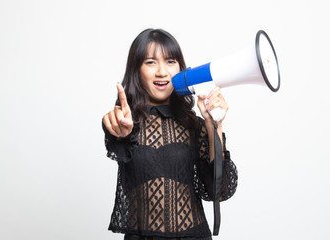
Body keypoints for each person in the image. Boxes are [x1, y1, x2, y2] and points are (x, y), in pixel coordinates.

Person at [102, 28, 238, 240]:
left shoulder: (196, 126)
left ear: (181, 69)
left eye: (170, 61)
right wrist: (120, 131)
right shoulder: (125, 123)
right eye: (150, 62)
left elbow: (218, 192)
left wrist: (215, 126)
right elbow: (118, 135)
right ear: (136, 69)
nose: (162, 72)